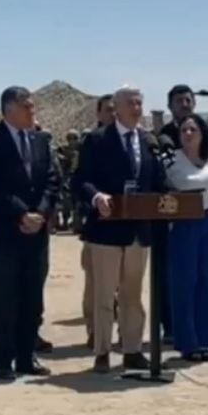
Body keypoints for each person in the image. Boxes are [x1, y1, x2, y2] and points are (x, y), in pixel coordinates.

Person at [74, 85, 167, 373]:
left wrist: (172, 200)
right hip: (106, 232)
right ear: (117, 108)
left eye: (139, 103)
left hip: (139, 232)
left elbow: (159, 181)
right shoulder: (97, 140)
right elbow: (80, 180)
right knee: (104, 296)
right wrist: (96, 197)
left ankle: (132, 350)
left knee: (132, 296)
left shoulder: (148, 141)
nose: (137, 108)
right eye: (131, 103)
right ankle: (102, 351)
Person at [0, 86, 60, 381]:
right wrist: (22, 213)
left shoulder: (40, 139)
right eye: (27, 106)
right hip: (5, 233)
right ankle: (2, 360)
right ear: (9, 109)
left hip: (36, 233)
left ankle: (26, 356)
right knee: (4, 299)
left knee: (32, 298)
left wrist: (41, 213)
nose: (32, 111)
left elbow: (52, 180)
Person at [164, 113, 208, 361]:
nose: (188, 134)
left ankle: (205, 339)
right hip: (185, 225)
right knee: (184, 283)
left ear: (203, 133)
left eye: (193, 130)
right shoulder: (171, 160)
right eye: (184, 130)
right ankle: (187, 342)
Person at [79, 94, 116, 347]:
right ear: (99, 114)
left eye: (116, 110)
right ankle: (95, 331)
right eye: (108, 110)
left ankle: (125, 334)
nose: (113, 115)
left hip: (127, 224)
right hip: (98, 225)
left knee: (125, 287)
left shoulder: (135, 142)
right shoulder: (91, 142)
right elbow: (81, 181)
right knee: (96, 285)